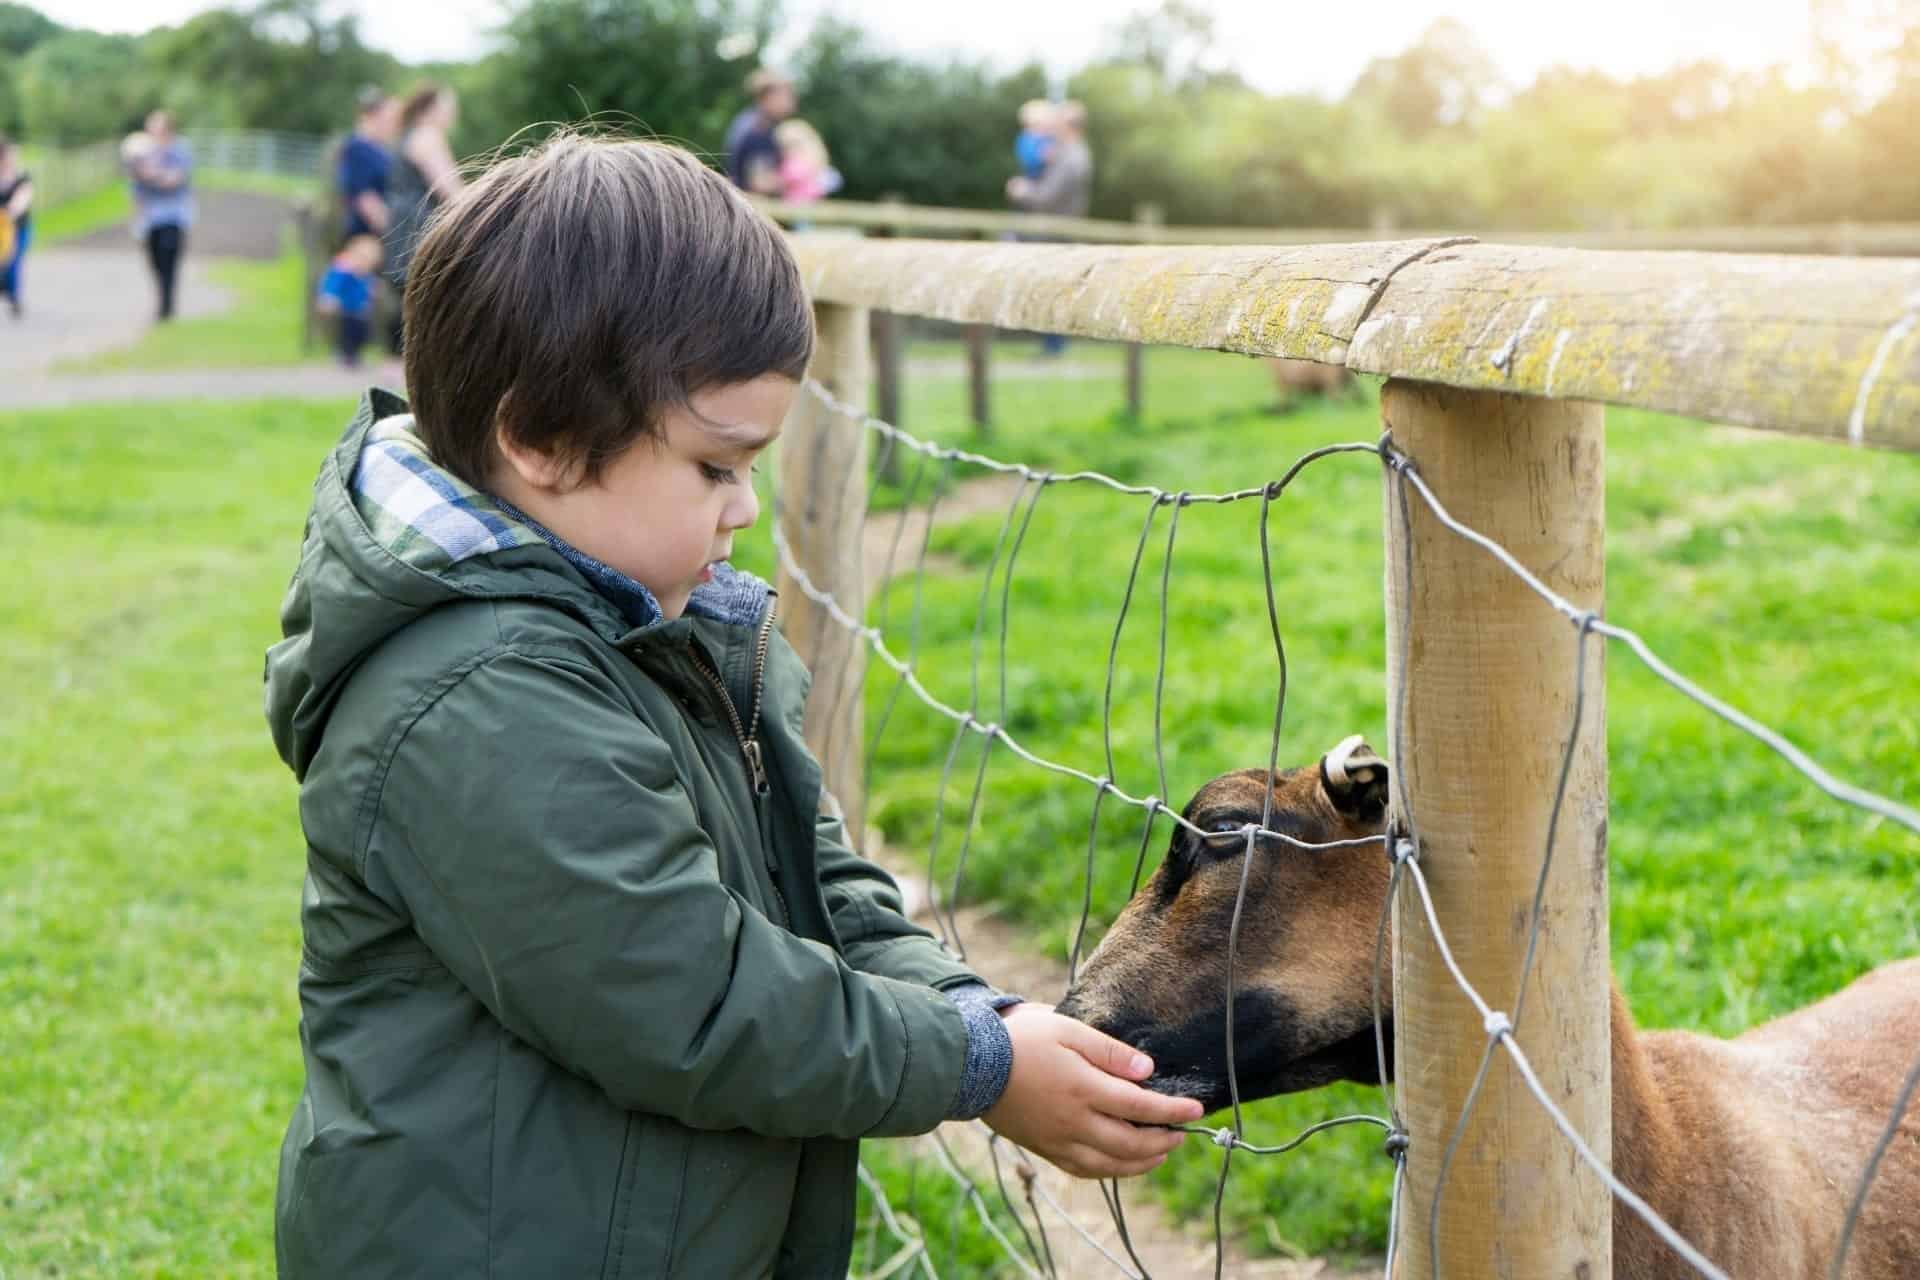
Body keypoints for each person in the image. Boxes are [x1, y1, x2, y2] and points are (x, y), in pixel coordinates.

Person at [263, 133, 1202, 1278]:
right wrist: (975, 1068)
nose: (746, 509)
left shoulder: (649, 631)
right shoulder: (481, 696)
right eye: (716, 466)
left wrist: (978, 1015)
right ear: (541, 438)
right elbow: (694, 1002)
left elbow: (817, 880)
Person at [382, 82, 465, 351]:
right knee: (420, 286)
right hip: (418, 222)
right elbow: (449, 188)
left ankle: (396, 358)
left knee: (404, 286)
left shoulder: (409, 135)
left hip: (401, 218)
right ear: (430, 110)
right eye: (447, 107)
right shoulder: (428, 136)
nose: (452, 113)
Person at [1008, 100, 1094, 354]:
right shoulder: (1065, 152)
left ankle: (1053, 347)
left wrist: (1022, 191)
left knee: (1054, 288)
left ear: (1069, 126)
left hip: (1057, 232)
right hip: (1053, 231)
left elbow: (1046, 196)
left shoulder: (1073, 157)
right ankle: (1051, 345)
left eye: (1058, 122)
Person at [127, 110, 192, 322]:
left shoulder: (180, 151)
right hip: (150, 217)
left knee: (169, 260)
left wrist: (152, 174)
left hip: (173, 216)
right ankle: (162, 301)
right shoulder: (143, 154)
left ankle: (167, 305)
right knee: (154, 261)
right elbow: (137, 187)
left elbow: (175, 180)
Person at [338, 87, 398, 243]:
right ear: (373, 116)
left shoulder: (379, 149)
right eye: (390, 118)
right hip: (368, 238)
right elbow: (366, 200)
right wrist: (397, 236)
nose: (395, 125)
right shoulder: (358, 148)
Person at [313, 233, 382, 367]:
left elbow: (368, 283)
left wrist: (374, 287)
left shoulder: (363, 273)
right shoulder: (343, 270)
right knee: (347, 333)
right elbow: (332, 284)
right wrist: (328, 297)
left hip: (361, 310)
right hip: (346, 309)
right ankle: (346, 355)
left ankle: (355, 355)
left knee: (361, 333)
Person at [724, 67, 794, 195]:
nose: (791, 102)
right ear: (767, 97)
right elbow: (759, 183)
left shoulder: (756, 123)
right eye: (785, 96)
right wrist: (798, 179)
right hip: (748, 205)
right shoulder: (757, 130)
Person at [0, 136, 33, 319]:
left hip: (18, 227)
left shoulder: (21, 176)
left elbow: (23, 197)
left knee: (13, 261)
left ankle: (14, 297)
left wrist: (11, 211)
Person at [773, 117, 840, 205]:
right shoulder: (813, 162)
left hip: (798, 204)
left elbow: (791, 177)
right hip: (804, 204)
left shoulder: (796, 163)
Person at [1014, 98, 1055, 181]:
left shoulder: (1048, 136)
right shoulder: (1026, 139)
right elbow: (1028, 160)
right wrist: (1042, 157)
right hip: (1035, 177)